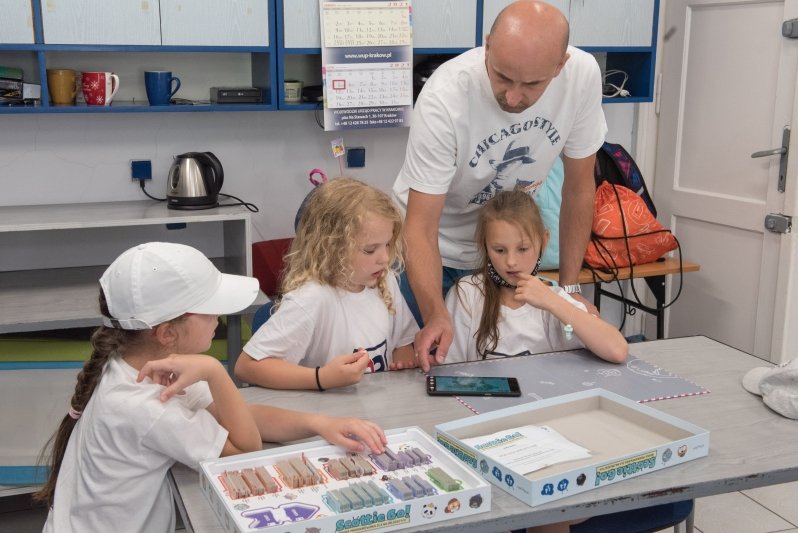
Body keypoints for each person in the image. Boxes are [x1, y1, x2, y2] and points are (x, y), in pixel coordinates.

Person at [34, 242, 387, 533]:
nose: (219, 318)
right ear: (167, 332)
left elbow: (238, 417)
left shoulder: (139, 363)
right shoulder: (147, 407)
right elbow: (245, 450)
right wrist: (214, 372)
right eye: (210, 310)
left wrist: (320, 424)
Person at [393, 0, 607, 370]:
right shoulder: (446, 95)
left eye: (531, 84)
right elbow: (421, 226)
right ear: (488, 45)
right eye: (502, 77)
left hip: (502, 250)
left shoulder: (583, 76)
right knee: (426, 368)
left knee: (496, 364)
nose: (512, 97)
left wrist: (570, 291)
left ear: (560, 66)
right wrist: (436, 315)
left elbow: (579, 189)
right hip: (431, 248)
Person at [235, 178, 419, 391]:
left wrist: (403, 366)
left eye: (387, 244)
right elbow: (247, 366)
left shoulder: (384, 280)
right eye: (370, 250)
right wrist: (321, 378)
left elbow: (402, 344)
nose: (385, 258)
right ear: (332, 248)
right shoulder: (313, 297)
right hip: (326, 417)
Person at [446, 190, 628, 364]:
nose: (511, 261)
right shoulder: (466, 294)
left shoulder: (552, 298)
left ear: (544, 241)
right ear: (485, 245)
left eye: (523, 249)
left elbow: (617, 350)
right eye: (499, 250)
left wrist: (552, 301)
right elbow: (450, 368)